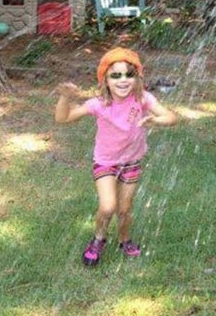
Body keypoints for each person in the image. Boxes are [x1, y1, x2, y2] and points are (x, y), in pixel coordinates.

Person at [55, 47, 179, 266]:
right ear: (105, 80)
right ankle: (98, 239)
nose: (123, 80)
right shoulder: (99, 104)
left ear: (137, 78)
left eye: (128, 74)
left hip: (131, 162)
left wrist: (156, 120)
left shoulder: (143, 99)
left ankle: (124, 239)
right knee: (108, 206)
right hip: (106, 163)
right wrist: (65, 97)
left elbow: (171, 117)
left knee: (124, 209)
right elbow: (63, 118)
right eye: (116, 75)